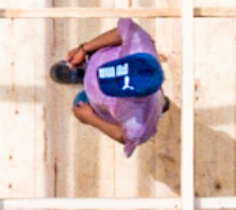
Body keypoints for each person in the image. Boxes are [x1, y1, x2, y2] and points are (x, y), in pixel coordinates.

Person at [52, 20, 169, 157]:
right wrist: (84, 49)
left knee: (79, 104)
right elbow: (120, 33)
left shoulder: (138, 119)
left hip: (104, 103)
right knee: (95, 53)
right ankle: (85, 71)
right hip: (100, 63)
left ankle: (160, 105)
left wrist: (91, 118)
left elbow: (123, 136)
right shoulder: (140, 46)